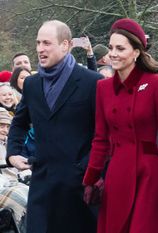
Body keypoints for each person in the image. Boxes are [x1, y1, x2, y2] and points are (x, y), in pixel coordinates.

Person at [82, 18, 158, 233]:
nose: (113, 53)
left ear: (136, 52)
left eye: (120, 48)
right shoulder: (103, 88)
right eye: (110, 48)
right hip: (117, 173)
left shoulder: (156, 83)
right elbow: (100, 139)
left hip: (149, 173)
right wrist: (91, 179)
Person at [6, 20, 101, 233]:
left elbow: (103, 134)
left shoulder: (91, 82)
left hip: (80, 188)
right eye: (38, 43)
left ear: (65, 45)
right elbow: (19, 123)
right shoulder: (31, 84)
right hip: (43, 186)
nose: (40, 49)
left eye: (47, 43)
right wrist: (12, 153)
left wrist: (88, 169)